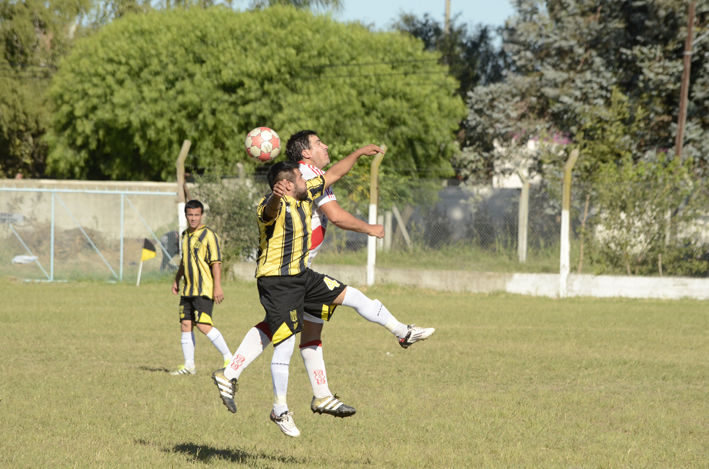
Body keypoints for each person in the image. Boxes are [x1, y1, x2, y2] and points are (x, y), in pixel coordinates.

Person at [212, 135, 434, 437]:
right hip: (279, 281)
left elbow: (334, 174)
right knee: (285, 338)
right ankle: (276, 406)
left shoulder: (305, 191)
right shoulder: (271, 204)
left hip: (302, 275)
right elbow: (271, 211)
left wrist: (357, 152)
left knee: (350, 296)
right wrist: (277, 195)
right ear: (288, 184)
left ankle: (400, 334)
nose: (309, 179)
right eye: (301, 177)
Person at [170, 199, 232, 375]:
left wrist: (217, 286)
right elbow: (184, 260)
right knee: (185, 324)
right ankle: (189, 366)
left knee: (203, 325)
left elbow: (216, 263)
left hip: (204, 289)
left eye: (196, 215)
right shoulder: (185, 235)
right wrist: (177, 279)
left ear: (201, 215)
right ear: (186, 215)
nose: (193, 218)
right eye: (190, 215)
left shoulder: (209, 235)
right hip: (188, 289)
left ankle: (229, 358)